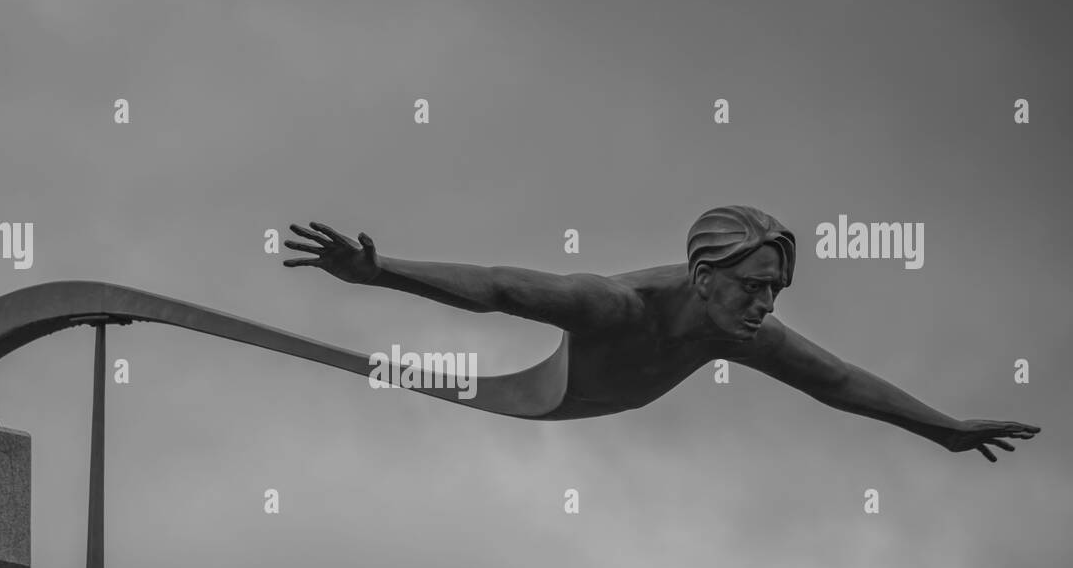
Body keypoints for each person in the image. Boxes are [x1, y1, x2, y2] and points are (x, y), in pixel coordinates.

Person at [282, 205, 1039, 461]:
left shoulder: (743, 334)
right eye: (753, 287)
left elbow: (838, 381)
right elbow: (499, 287)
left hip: (601, 402)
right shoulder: (615, 304)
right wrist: (380, 273)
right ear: (705, 275)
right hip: (563, 387)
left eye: (775, 290)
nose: (766, 306)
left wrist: (944, 431)